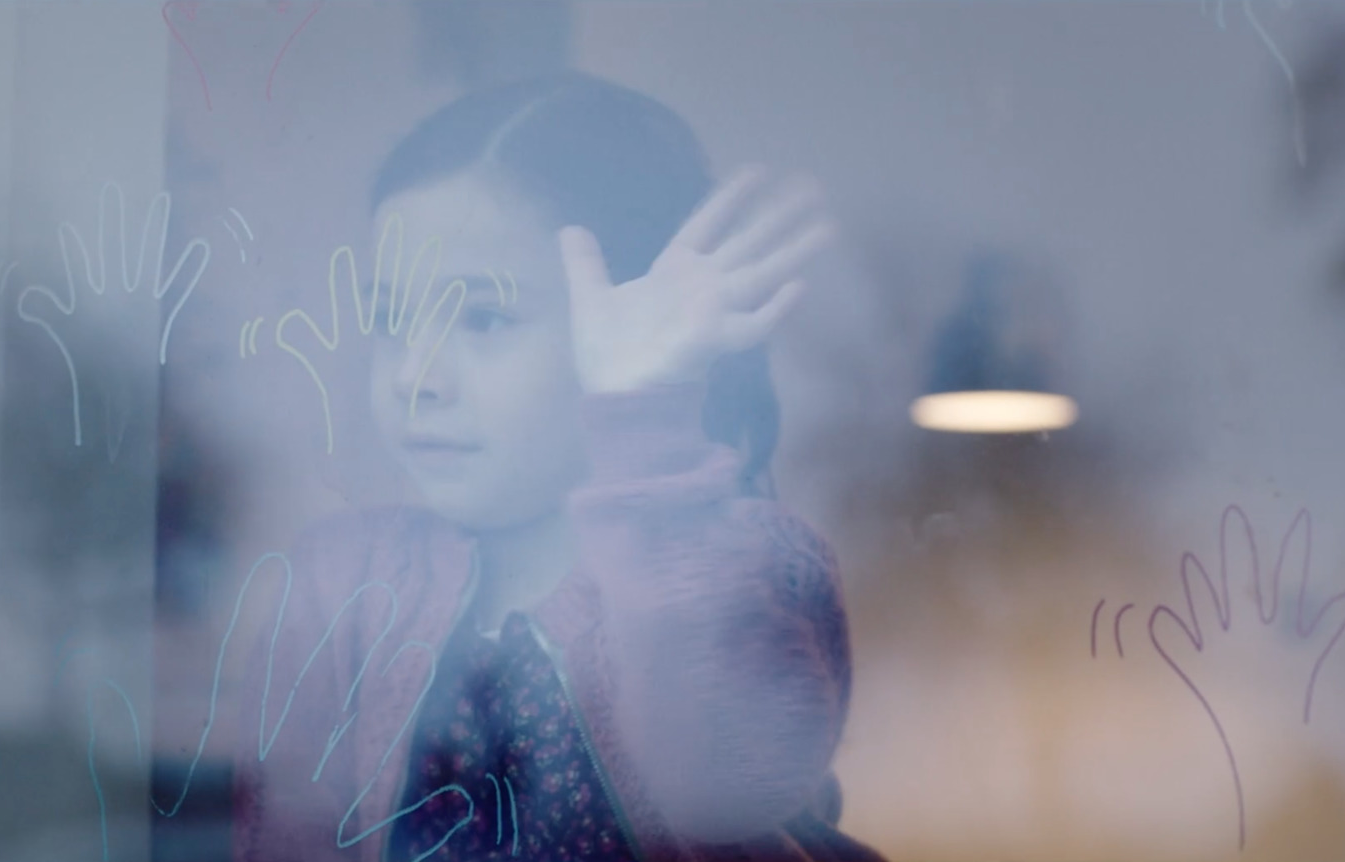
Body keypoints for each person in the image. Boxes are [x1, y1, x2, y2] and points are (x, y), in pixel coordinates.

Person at [231, 70, 882, 862]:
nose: (413, 375)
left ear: (640, 323)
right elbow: (282, 842)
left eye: (484, 316)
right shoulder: (339, 583)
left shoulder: (745, 562)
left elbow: (726, 788)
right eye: (391, 319)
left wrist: (642, 409)